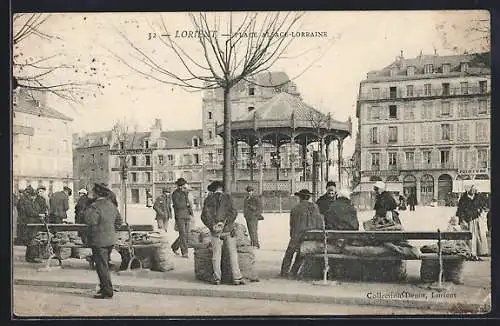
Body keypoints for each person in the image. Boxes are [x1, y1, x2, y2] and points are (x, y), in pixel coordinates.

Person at [200, 181, 246, 285]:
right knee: (233, 254)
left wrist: (213, 225)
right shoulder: (228, 198)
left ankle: (217, 278)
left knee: (216, 255)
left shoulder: (208, 199)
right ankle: (237, 277)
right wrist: (225, 223)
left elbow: (204, 215)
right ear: (221, 188)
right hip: (228, 230)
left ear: (213, 189)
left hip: (215, 232)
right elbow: (234, 212)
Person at [84, 183, 123, 299]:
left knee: (101, 266)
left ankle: (107, 291)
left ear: (96, 194)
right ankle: (104, 287)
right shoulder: (111, 205)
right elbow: (119, 222)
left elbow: (90, 222)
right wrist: (110, 230)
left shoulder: (94, 206)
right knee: (104, 264)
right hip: (110, 240)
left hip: (98, 240)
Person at [280, 189, 323, 278]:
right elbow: (319, 222)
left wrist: (292, 235)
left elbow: (292, 224)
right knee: (301, 252)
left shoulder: (296, 208)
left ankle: (284, 272)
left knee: (289, 253)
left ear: (300, 197)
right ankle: (294, 271)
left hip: (298, 234)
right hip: (312, 235)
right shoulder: (315, 207)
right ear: (309, 197)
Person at [456, 183, 489, 261]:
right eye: (472, 189)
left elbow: (484, 205)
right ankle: (471, 253)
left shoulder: (478, 197)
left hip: (477, 219)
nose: (473, 190)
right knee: (470, 236)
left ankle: (479, 252)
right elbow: (460, 211)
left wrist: (481, 209)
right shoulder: (463, 199)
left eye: (474, 189)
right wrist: (462, 220)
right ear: (468, 190)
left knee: (479, 235)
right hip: (468, 220)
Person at [17, 186, 46, 262]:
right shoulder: (25, 201)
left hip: (27, 222)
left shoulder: (24, 200)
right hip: (28, 222)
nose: (32, 197)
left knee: (31, 240)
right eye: (31, 195)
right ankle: (31, 258)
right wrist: (39, 214)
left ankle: (30, 257)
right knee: (31, 239)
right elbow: (29, 211)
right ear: (28, 194)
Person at [171, 178, 194, 258]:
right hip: (180, 216)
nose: (185, 186)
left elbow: (189, 204)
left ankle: (174, 247)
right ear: (180, 186)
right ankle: (185, 252)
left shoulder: (185, 193)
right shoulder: (175, 193)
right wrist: (186, 205)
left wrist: (191, 214)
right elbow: (177, 205)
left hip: (187, 216)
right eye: (184, 185)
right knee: (183, 234)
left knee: (186, 234)